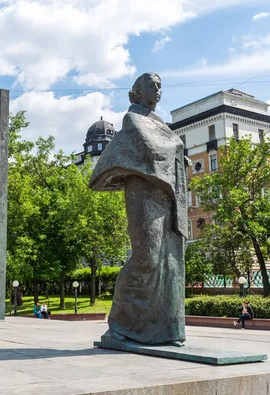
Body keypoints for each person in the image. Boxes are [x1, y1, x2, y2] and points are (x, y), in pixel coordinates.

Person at [89, 72, 187, 346]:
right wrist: (177, 152)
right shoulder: (133, 120)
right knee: (147, 257)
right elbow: (152, 148)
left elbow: (169, 147)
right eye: (152, 86)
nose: (158, 91)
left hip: (165, 195)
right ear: (138, 92)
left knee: (169, 258)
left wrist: (180, 156)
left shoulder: (159, 123)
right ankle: (121, 324)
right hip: (143, 193)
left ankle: (165, 329)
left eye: (160, 86)